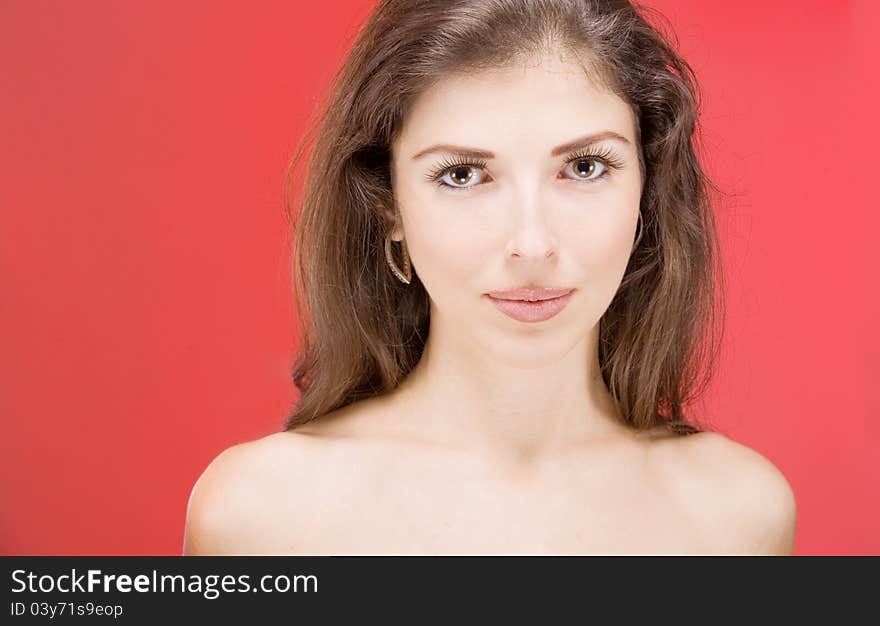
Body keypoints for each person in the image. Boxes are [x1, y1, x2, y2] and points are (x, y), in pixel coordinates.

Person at [183, 0, 797, 555]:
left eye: (585, 167)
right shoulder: (258, 515)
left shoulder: (739, 516)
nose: (531, 245)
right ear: (389, 208)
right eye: (463, 175)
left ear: (649, 193)